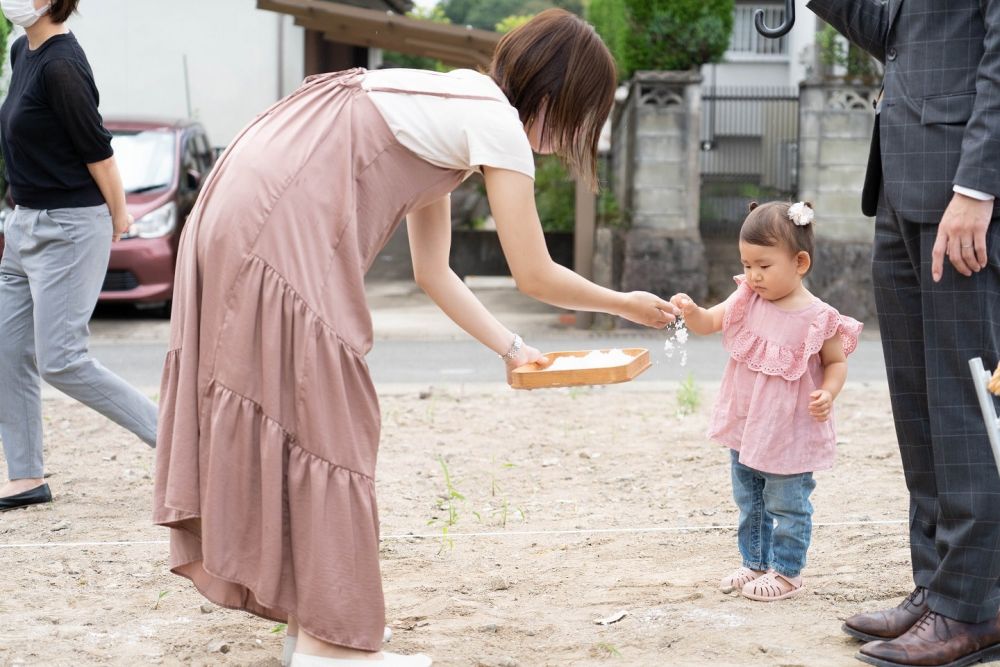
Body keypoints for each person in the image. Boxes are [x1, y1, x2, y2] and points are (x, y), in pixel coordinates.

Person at [152, 9, 678, 666]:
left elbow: (435, 272)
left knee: (303, 413)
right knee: (335, 421)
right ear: (555, 98)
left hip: (244, 194)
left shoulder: (453, 103)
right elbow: (534, 271)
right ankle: (330, 646)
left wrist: (512, 347)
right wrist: (624, 302)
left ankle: (310, 628)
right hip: (282, 217)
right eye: (582, 115)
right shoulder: (493, 122)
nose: (575, 134)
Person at [806, 2, 1000, 665]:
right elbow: (894, 32)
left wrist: (980, 186)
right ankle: (938, 584)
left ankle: (975, 606)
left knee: (965, 403)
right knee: (919, 403)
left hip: (964, 194)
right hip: (903, 179)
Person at [0, 0, 158, 512]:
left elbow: (98, 149)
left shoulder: (62, 64)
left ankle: (179, 444)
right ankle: (26, 476)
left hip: (68, 227)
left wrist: (120, 216)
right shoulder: (22, 50)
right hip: (24, 223)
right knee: (5, 350)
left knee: (63, 360)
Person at [670, 201, 862, 602]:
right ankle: (755, 562)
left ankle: (788, 572)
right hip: (747, 421)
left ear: (800, 262)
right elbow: (708, 322)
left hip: (789, 429)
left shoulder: (820, 317)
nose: (753, 275)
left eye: (763, 265)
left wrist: (828, 392)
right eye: (747, 263)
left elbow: (836, 363)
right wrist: (690, 310)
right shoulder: (746, 298)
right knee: (749, 497)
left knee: (787, 500)